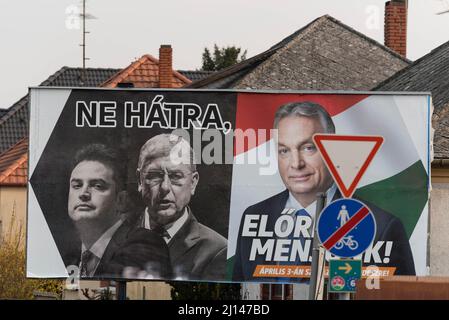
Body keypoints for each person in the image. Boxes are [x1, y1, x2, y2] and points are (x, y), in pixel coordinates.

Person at [232, 101, 415, 281]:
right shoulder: (254, 216)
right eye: (284, 150)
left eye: (308, 148)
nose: (296, 164)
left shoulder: (382, 227)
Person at [67, 143, 171, 279]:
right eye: (77, 185)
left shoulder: (144, 242)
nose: (83, 193)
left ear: (120, 200)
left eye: (97, 186)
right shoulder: (69, 257)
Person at [135, 133, 228, 281]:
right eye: (155, 175)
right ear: (140, 181)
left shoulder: (217, 250)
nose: (165, 187)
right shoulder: (114, 238)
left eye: (175, 176)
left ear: (193, 182)